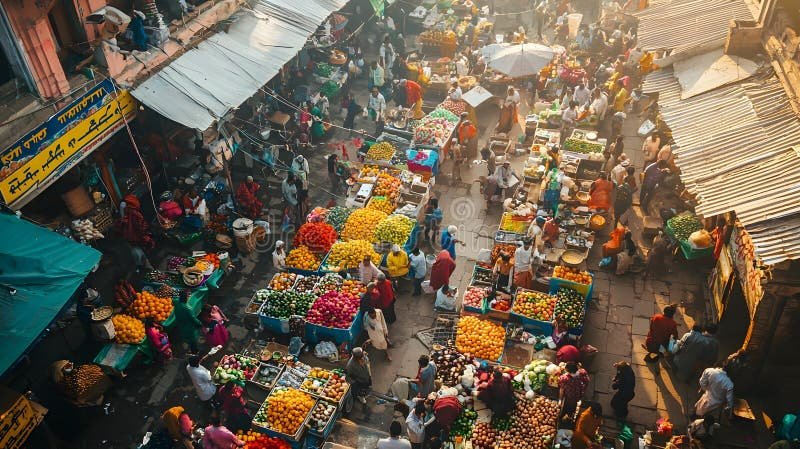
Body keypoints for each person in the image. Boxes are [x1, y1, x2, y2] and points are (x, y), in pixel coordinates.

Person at [117, 194, 155, 270]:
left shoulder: (128, 212)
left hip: (131, 235)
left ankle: (142, 264)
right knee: (139, 249)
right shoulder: (136, 213)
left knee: (136, 249)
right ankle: (145, 264)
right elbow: (142, 226)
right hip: (136, 235)